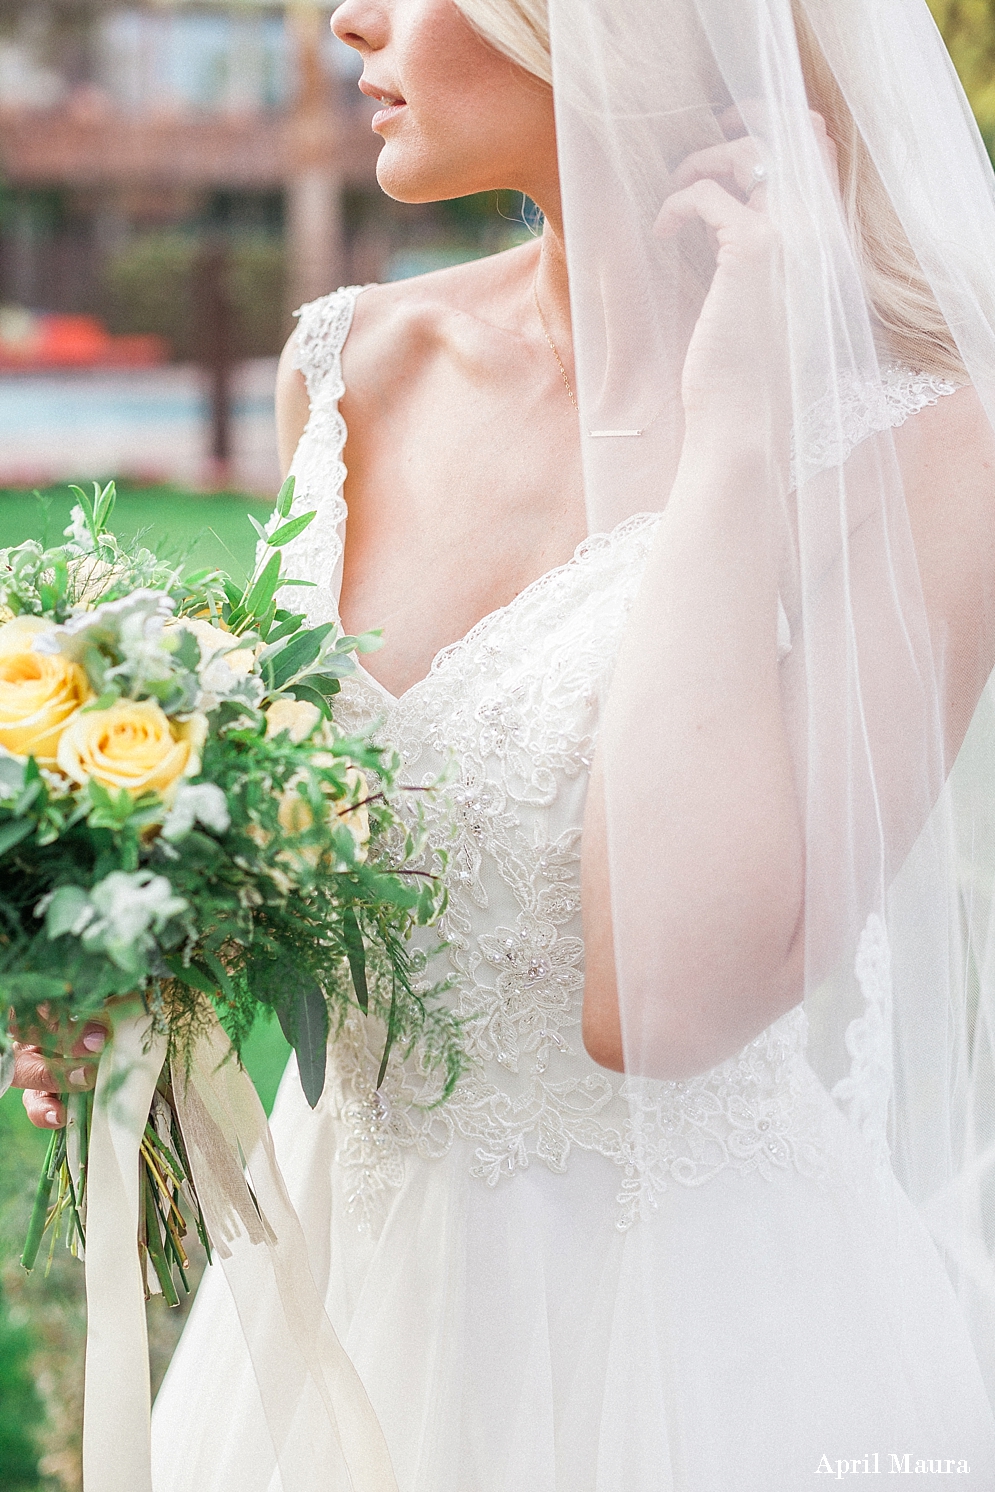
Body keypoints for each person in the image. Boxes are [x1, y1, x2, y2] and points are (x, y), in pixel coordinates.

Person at [16, 0, 995, 1486]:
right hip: (345, 1299)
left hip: (694, 1353)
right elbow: (330, 846)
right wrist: (139, 966)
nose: (350, 17)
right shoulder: (352, 369)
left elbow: (663, 1005)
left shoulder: (921, 444)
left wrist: (734, 440)